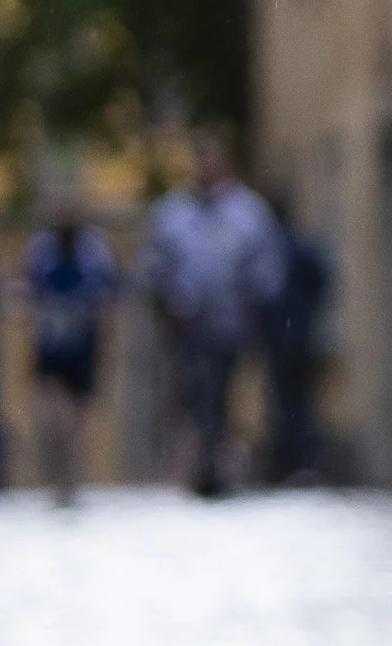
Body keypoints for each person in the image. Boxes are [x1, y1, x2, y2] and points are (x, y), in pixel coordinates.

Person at [141, 133, 286, 497]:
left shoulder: (248, 212)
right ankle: (207, 464)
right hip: (188, 325)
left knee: (227, 391)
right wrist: (165, 304)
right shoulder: (172, 212)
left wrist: (257, 306)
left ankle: (226, 457)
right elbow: (154, 266)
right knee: (196, 392)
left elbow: (267, 267)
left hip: (235, 322)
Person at [21, 195, 120, 506]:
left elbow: (108, 296)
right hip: (51, 346)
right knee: (53, 414)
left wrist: (104, 342)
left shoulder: (94, 250)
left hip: (81, 346)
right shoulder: (41, 250)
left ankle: (70, 479)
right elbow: (27, 294)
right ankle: (59, 474)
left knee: (77, 418)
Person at [261, 192, 334, 483]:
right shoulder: (295, 246)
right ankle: (298, 459)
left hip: (288, 336)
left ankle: (297, 459)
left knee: (290, 399)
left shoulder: (278, 250)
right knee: (294, 399)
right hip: (292, 334)